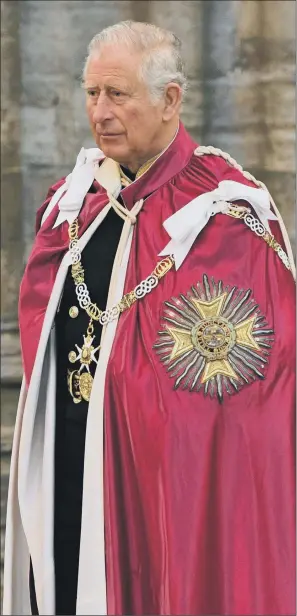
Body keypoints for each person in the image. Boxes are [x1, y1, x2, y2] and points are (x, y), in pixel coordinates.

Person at [3, 20, 295, 616]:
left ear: (170, 100)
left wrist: (142, 412)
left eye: (118, 94)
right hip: (70, 463)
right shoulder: (74, 207)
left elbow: (247, 401)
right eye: (91, 94)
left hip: (166, 492)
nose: (101, 112)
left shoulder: (227, 218)